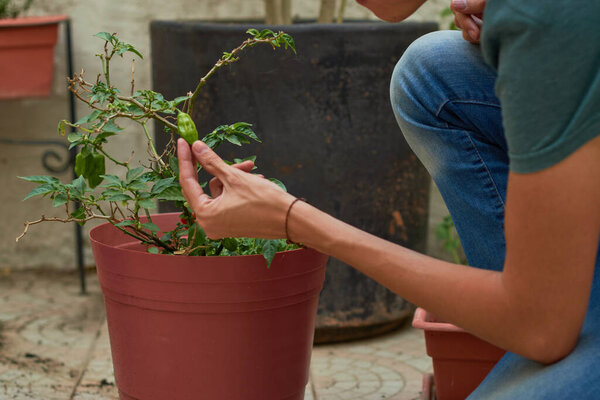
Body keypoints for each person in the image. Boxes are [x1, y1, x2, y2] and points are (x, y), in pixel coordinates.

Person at [178, 0, 600, 397]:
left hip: (543, 320)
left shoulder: (543, 16)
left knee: (540, 328)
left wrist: (291, 218)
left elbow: (542, 328)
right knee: (431, 72)